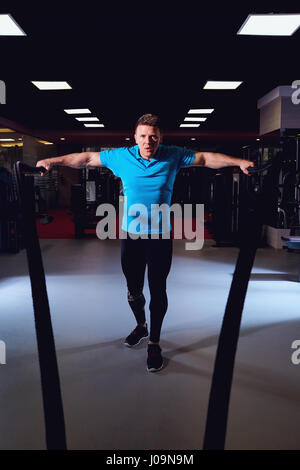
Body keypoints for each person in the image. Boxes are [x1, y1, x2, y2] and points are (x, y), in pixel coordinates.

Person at [36, 113, 254, 373]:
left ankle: (154, 342)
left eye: (153, 136)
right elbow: (85, 159)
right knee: (133, 290)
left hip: (160, 236)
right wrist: (52, 160)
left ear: (160, 137)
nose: (148, 141)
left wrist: (239, 162)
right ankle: (141, 326)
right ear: (135, 137)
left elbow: (206, 158)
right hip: (132, 236)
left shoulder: (173, 155)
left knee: (158, 290)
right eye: (143, 136)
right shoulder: (121, 157)